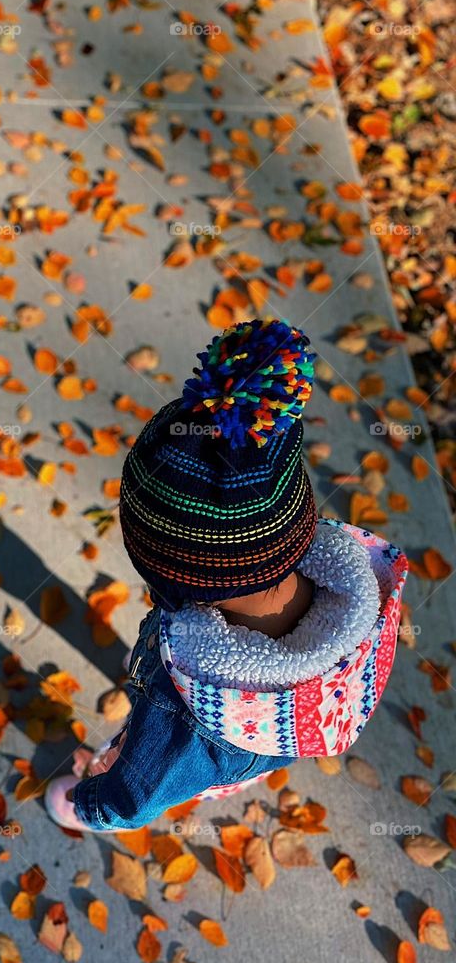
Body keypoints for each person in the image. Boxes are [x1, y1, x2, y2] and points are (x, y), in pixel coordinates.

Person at [45, 318, 409, 831]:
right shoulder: (360, 596)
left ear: (173, 586)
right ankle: (149, 668)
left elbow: (136, 796)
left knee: (143, 754)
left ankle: (103, 771)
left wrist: (94, 804)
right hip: (270, 727)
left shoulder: (182, 718)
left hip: (213, 733)